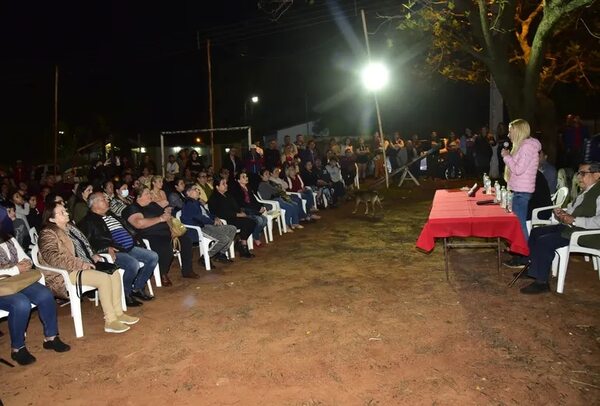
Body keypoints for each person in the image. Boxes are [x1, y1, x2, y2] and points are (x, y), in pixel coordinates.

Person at [38, 201, 139, 333]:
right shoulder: (48, 233)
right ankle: (110, 320)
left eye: (66, 210)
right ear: (51, 218)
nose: (66, 213)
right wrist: (81, 263)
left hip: (84, 265)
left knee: (114, 271)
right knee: (103, 278)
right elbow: (53, 257)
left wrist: (93, 255)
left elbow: (84, 245)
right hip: (66, 273)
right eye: (62, 212)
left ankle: (118, 313)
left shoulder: (70, 227)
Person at [517, 162, 600, 294]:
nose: (578, 177)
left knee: (545, 241)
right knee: (536, 232)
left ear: (596, 175)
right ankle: (533, 268)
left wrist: (574, 220)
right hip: (572, 228)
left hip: (587, 234)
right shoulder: (586, 191)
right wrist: (562, 214)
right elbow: (574, 210)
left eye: (583, 173)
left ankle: (542, 282)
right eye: (578, 173)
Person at [0, 233, 70, 365]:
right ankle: (17, 348)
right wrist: (15, 269)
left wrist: (26, 263)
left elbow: (25, 258)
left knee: (45, 295)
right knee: (21, 303)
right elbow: (16, 269)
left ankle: (51, 337)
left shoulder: (8, 238)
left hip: (17, 281)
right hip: (3, 287)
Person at [78, 193, 158, 306]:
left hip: (128, 247)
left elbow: (128, 229)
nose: (108, 200)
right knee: (133, 264)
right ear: (94, 203)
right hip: (114, 251)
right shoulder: (88, 221)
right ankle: (125, 294)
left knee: (153, 257)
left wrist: (136, 240)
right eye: (103, 199)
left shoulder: (112, 215)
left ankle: (137, 288)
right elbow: (85, 243)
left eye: (107, 198)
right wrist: (105, 248)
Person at [122, 186, 197, 285]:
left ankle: (187, 270)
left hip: (166, 233)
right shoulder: (133, 208)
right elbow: (139, 223)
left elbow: (166, 218)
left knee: (186, 240)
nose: (150, 195)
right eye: (147, 193)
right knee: (166, 248)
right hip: (150, 236)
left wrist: (172, 229)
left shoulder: (153, 205)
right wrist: (160, 219)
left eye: (150, 193)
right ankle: (163, 273)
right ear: (138, 197)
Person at [501, 119, 541, 241]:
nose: (508, 135)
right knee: (517, 224)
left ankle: (524, 254)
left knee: (519, 225)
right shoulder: (522, 146)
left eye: (510, 131)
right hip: (518, 190)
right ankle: (519, 253)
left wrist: (507, 157)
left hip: (522, 192)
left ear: (518, 131)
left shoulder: (527, 147)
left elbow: (518, 169)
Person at [181, 184, 236, 263]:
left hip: (207, 225)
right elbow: (199, 218)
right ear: (188, 193)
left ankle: (221, 254)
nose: (198, 190)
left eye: (197, 189)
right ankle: (205, 257)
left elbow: (207, 214)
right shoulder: (189, 204)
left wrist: (215, 218)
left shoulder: (197, 202)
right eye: (195, 189)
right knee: (224, 239)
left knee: (232, 229)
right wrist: (213, 222)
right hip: (199, 228)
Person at [208, 177, 255, 258]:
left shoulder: (228, 195)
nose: (226, 185)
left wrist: (240, 212)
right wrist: (237, 215)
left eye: (226, 183)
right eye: (223, 184)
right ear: (217, 187)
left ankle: (240, 242)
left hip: (234, 217)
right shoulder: (214, 198)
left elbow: (236, 207)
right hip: (225, 220)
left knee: (252, 222)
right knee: (246, 223)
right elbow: (220, 213)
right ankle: (243, 246)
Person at [230, 172, 268, 247]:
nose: (246, 178)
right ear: (238, 180)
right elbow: (242, 203)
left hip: (252, 209)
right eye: (243, 177)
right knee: (259, 220)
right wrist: (257, 209)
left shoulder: (248, 187)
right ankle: (256, 238)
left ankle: (254, 235)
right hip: (244, 210)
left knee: (264, 220)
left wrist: (261, 206)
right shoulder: (236, 190)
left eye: (246, 176)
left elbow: (254, 200)